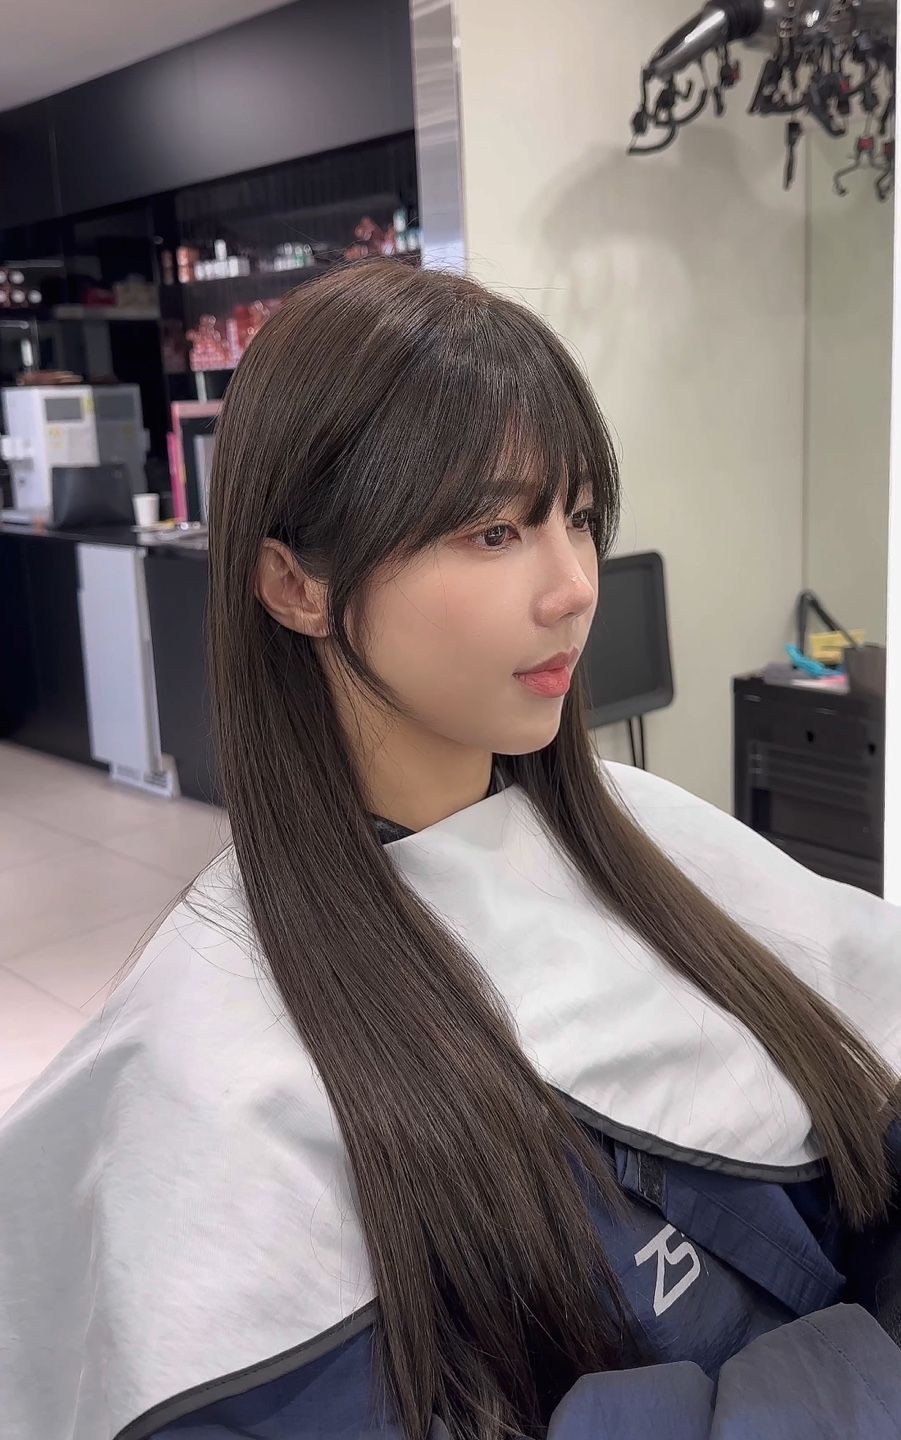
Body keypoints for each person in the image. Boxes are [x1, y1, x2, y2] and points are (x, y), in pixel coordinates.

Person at [1, 260, 900, 1440]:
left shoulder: (646, 835)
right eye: (494, 529)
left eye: (578, 518)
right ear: (293, 583)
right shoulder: (217, 1078)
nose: (574, 585)